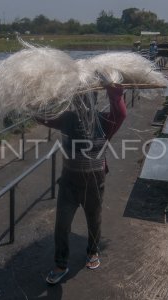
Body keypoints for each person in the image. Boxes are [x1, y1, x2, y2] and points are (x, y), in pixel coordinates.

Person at [39, 84, 127, 284]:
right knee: (62, 224)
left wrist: (115, 93)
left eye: (86, 100)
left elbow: (121, 113)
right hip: (69, 182)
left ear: (94, 101)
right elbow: (42, 117)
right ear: (73, 102)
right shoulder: (67, 119)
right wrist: (37, 95)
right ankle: (61, 264)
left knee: (94, 220)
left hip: (94, 182)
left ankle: (93, 251)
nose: (82, 105)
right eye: (78, 100)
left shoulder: (104, 121)